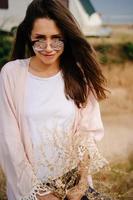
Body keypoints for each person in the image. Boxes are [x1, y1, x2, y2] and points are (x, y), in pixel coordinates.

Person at [0, 0, 109, 200]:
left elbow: (88, 133)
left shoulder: (79, 75)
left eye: (57, 39)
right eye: (40, 39)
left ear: (66, 38)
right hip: (30, 190)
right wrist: (40, 193)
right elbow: (9, 142)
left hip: (74, 186)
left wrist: (81, 184)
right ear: (29, 37)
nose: (48, 47)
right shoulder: (11, 74)